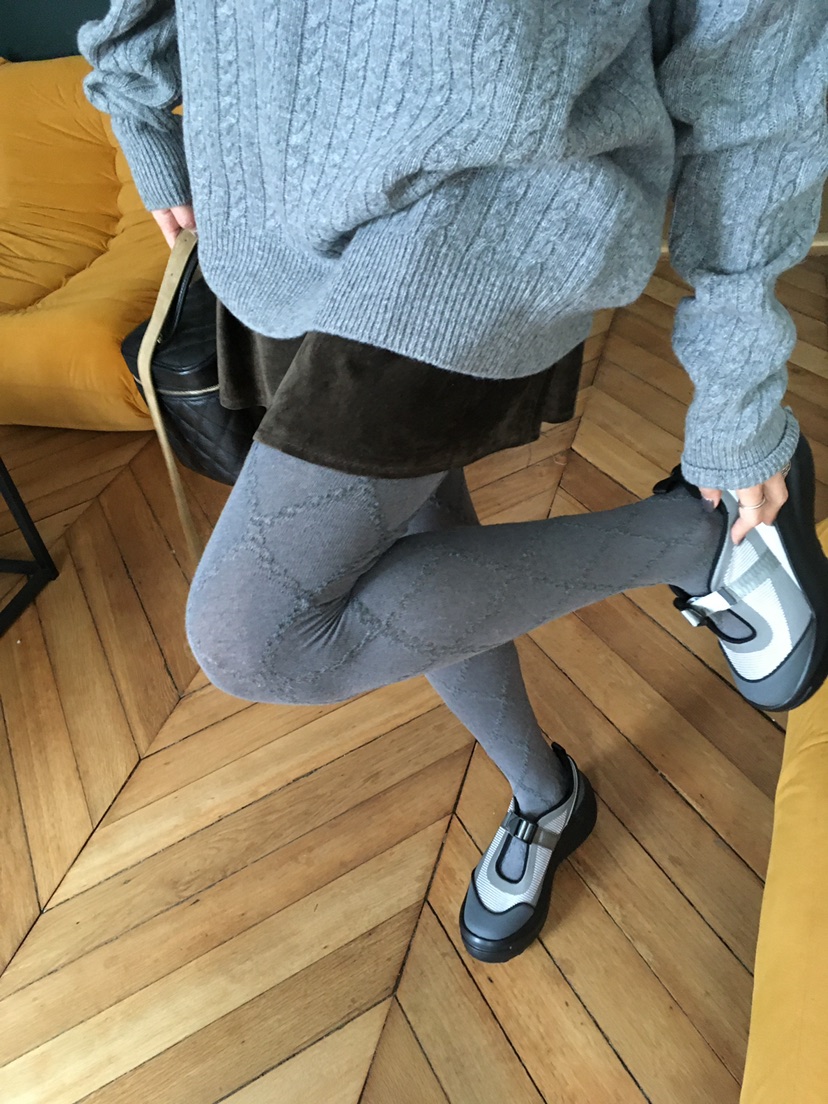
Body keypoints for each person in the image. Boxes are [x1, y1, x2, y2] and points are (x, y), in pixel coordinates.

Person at [78, 0, 828, 963]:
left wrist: (738, 397)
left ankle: (695, 538)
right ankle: (545, 796)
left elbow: (755, 75)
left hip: (493, 201)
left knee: (256, 637)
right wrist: (137, 94)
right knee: (410, 533)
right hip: (269, 189)